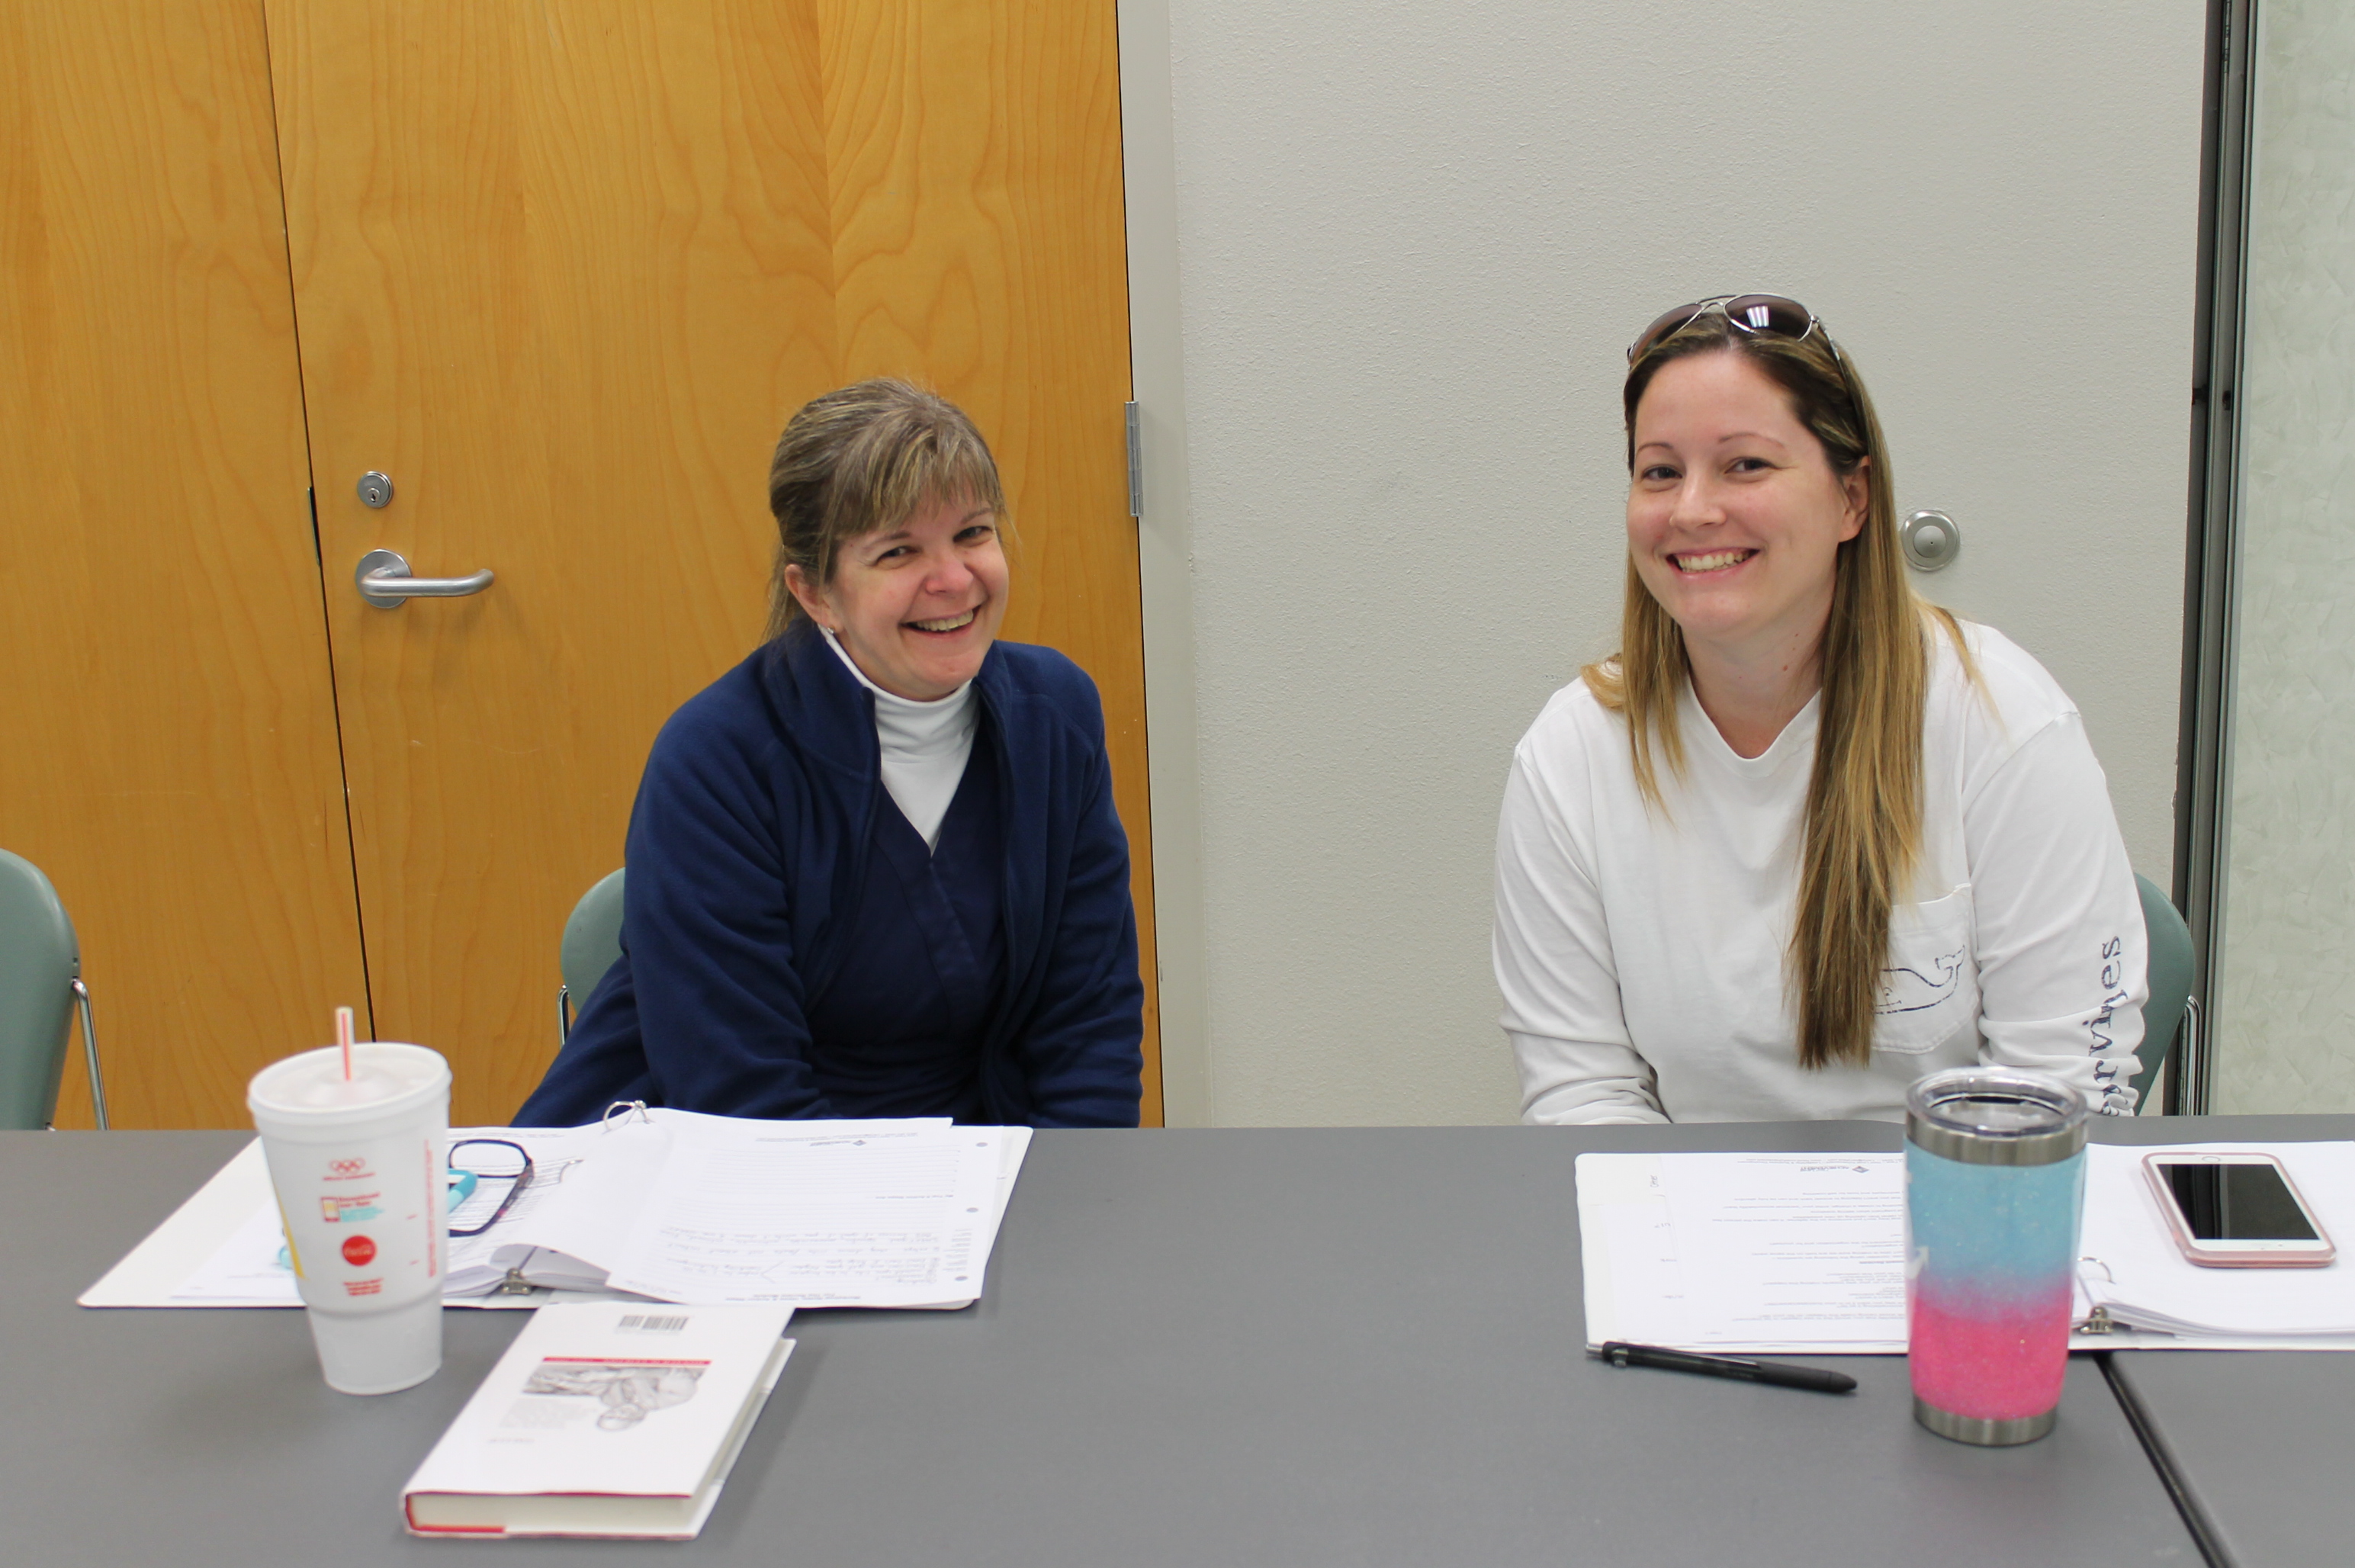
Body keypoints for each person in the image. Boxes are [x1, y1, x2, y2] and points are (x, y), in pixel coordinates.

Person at [1493, 296, 2146, 1125]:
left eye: (1745, 465)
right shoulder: (1572, 755)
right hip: (1681, 1203)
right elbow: (1583, 1094)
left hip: (1959, 1199)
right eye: (1660, 471)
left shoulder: (2001, 722)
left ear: (1852, 499)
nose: (1692, 510)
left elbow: (2061, 1089)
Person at [517, 379, 1144, 1127]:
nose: (953, 579)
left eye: (973, 533)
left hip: (983, 1159)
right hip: (746, 1160)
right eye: (898, 550)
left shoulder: (1055, 716)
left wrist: (1073, 1184)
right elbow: (742, 1098)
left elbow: (1090, 1027)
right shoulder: (718, 760)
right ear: (815, 594)